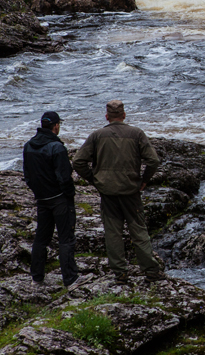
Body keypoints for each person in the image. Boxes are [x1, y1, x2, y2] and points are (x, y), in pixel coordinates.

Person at [72, 100, 167, 283]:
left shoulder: (97, 135)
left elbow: (78, 162)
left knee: (113, 233)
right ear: (124, 115)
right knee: (139, 232)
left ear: (107, 117)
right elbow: (153, 161)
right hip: (131, 191)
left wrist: (94, 179)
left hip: (108, 193)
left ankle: (120, 273)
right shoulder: (136, 133)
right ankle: (151, 271)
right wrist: (144, 180)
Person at [23, 111, 81, 287]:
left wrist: (38, 192)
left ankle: (37, 277)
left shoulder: (28, 146)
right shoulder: (57, 147)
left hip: (42, 198)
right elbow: (64, 177)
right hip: (59, 199)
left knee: (41, 238)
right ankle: (70, 279)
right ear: (56, 126)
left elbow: (28, 175)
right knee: (66, 239)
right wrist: (69, 195)